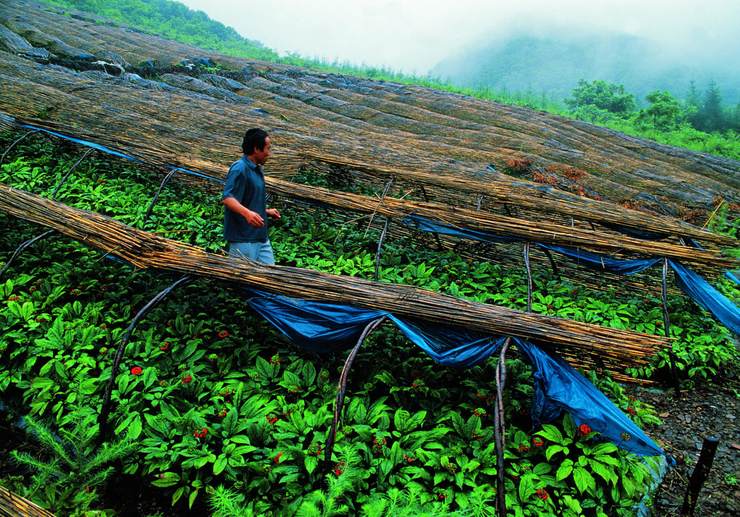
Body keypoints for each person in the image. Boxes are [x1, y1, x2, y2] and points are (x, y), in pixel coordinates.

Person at [222, 128, 281, 264]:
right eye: (267, 148)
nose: (269, 153)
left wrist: (266, 212)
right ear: (256, 149)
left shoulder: (257, 169)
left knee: (269, 277)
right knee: (242, 280)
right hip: (244, 238)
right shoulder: (240, 168)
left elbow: (247, 200)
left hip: (260, 237)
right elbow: (228, 198)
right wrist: (248, 214)